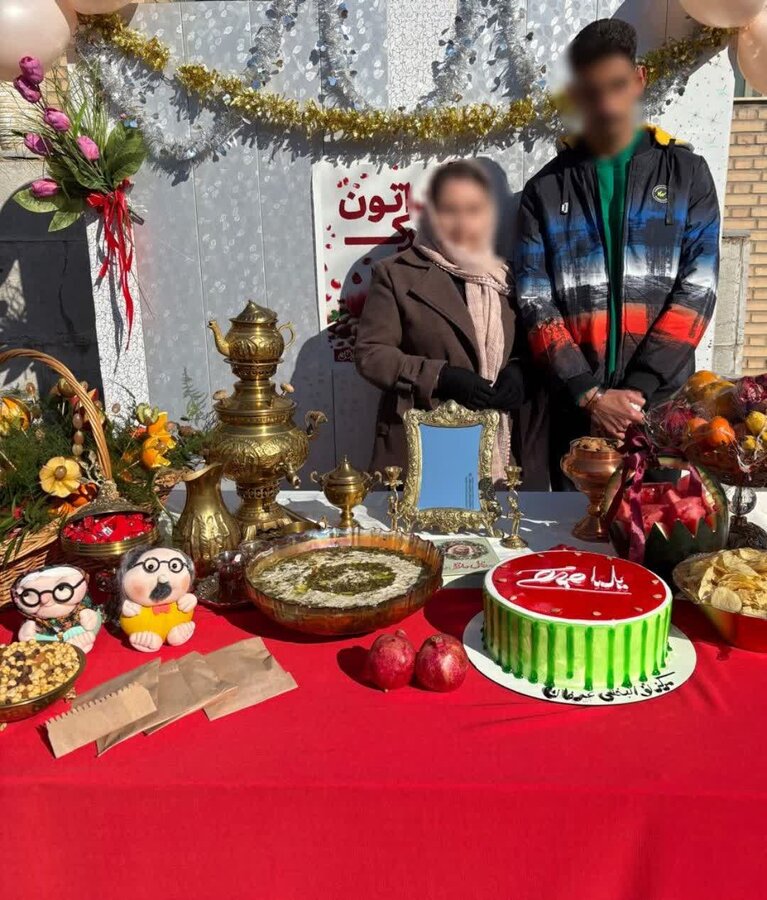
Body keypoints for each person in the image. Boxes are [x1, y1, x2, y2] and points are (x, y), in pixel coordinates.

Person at [514, 18, 720, 489]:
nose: (606, 104)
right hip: (577, 411)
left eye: (617, 85)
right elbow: (534, 299)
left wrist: (638, 391)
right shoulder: (545, 188)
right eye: (592, 91)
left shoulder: (686, 174)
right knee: (576, 529)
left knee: (664, 524)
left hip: (662, 406)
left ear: (640, 79)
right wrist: (590, 395)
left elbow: (699, 287)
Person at [355, 160, 543, 485]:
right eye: (449, 210)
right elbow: (372, 354)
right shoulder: (396, 274)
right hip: (428, 441)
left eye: (473, 210)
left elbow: (532, 346)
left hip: (504, 447)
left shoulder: (509, 277)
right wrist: (441, 377)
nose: (462, 222)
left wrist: (520, 373)